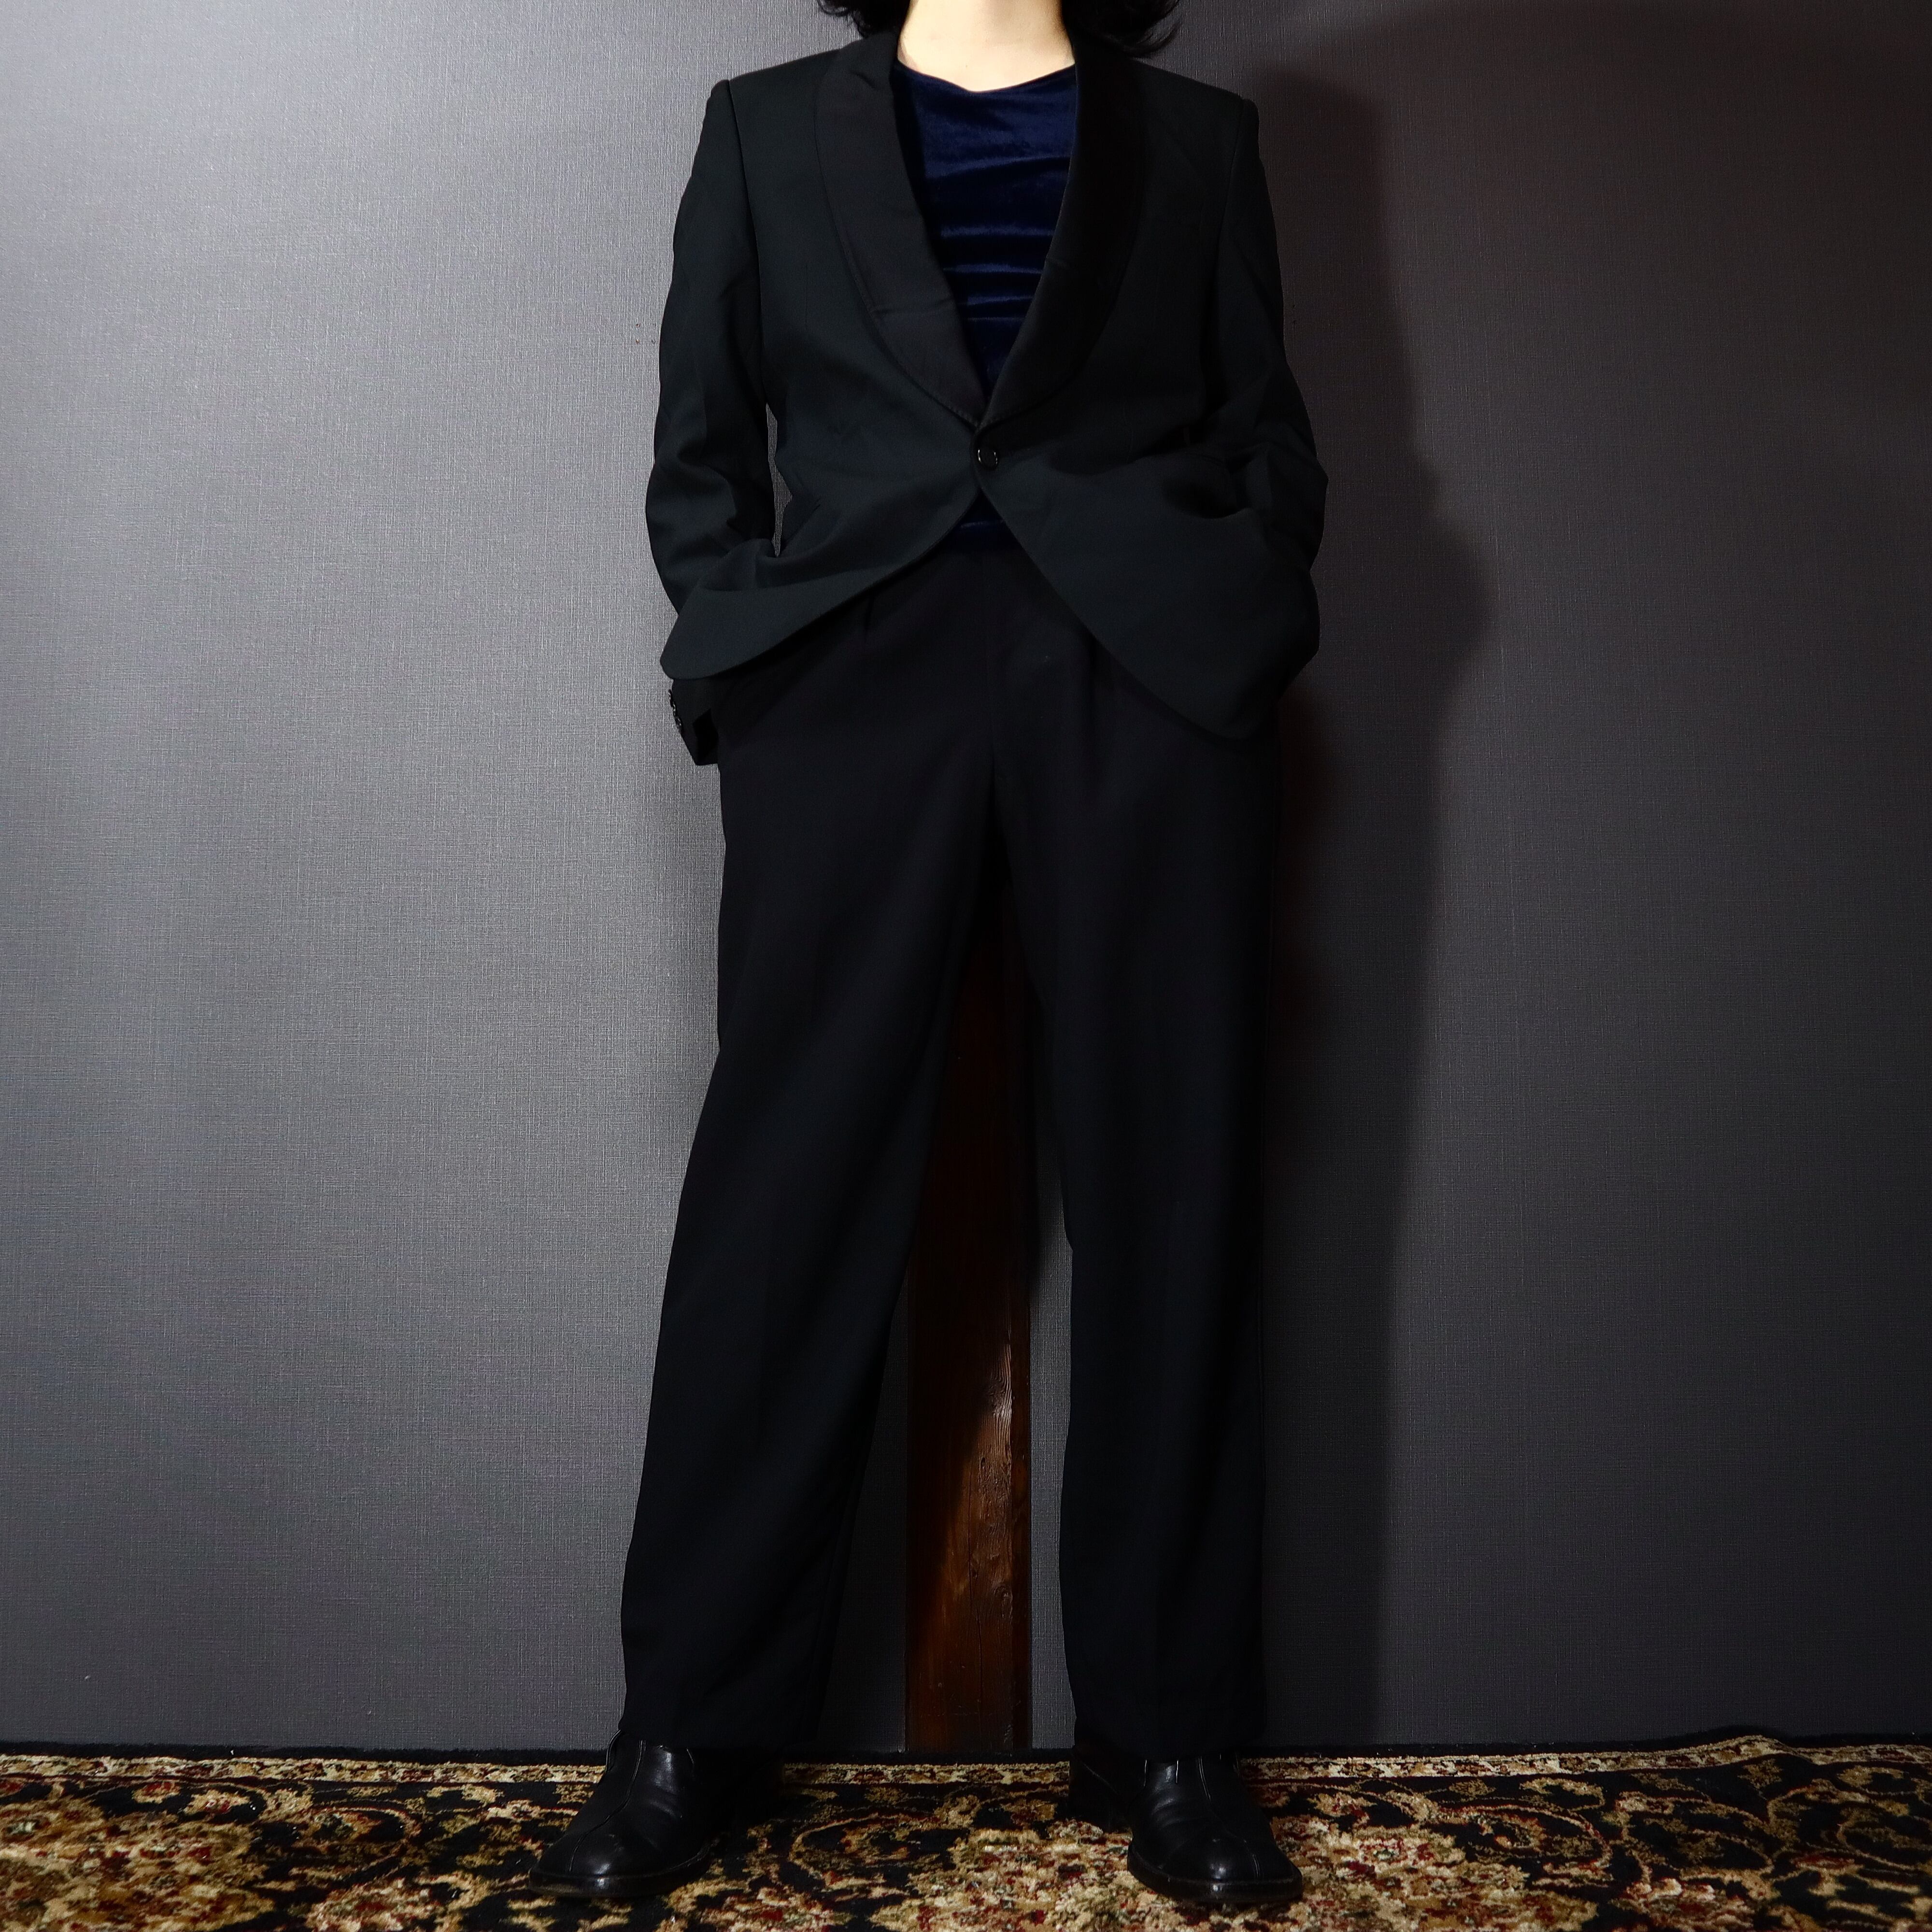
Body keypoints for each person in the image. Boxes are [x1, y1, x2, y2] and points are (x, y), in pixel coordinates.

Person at [532, 0, 1325, 1907]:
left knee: (1173, 1190)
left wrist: (1234, 618)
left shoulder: (1200, 146)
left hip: (1143, 682)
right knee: (786, 1194)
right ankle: (687, 1727)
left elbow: (1266, 433)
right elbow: (701, 438)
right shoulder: (760, 130)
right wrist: (749, 654)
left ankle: (1169, 1733)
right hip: (853, 678)